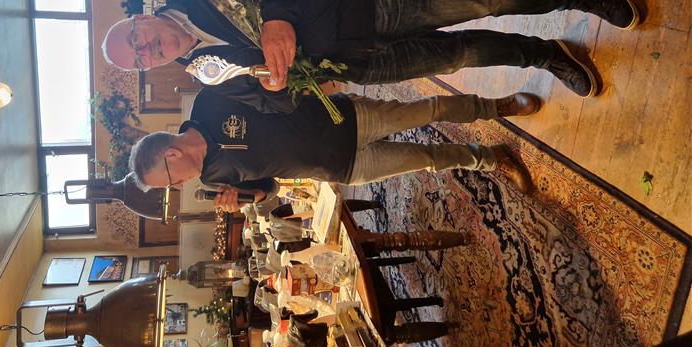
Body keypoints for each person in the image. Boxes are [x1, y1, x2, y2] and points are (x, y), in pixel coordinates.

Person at [103, 0, 640, 112]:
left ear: (140, 18)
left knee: (480, 1)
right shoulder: (205, 73)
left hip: (363, 4)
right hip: (359, 65)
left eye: (136, 40)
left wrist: (278, 15)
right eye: (141, 62)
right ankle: (544, 55)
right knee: (462, 56)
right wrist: (279, 88)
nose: (148, 51)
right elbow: (270, 105)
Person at [128, 88, 544, 211]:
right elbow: (270, 187)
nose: (178, 187)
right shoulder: (212, 179)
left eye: (170, 181)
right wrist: (244, 199)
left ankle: (495, 106)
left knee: (427, 110)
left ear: (170, 155)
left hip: (344, 119)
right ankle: (492, 158)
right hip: (342, 167)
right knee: (427, 160)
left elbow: (267, 85)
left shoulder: (209, 102)